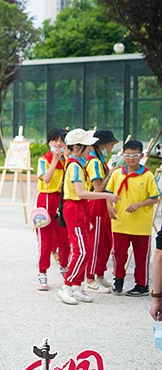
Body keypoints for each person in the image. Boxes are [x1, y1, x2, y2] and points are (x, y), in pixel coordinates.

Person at [57, 129, 120, 305]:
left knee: (84, 249)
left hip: (80, 209)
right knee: (82, 250)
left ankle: (76, 286)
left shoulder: (79, 163)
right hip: (75, 209)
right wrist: (107, 196)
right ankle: (67, 286)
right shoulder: (76, 166)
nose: (90, 148)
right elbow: (81, 193)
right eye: (87, 145)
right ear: (77, 147)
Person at [105, 140, 160, 296]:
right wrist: (109, 207)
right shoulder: (117, 173)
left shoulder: (148, 175)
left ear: (141, 156)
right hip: (120, 221)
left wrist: (138, 204)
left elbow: (155, 198)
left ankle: (141, 285)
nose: (131, 159)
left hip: (140, 224)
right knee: (118, 254)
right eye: (128, 155)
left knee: (141, 255)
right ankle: (118, 279)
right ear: (124, 155)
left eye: (135, 155)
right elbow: (108, 193)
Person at [84, 129, 119, 293]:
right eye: (111, 144)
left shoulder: (99, 160)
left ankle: (99, 274)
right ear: (102, 145)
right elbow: (98, 188)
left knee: (104, 241)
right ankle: (90, 278)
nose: (111, 147)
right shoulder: (94, 162)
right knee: (96, 242)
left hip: (101, 204)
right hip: (96, 204)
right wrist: (110, 174)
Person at [35, 129, 70, 291]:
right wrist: (55, 160)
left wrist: (65, 159)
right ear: (49, 142)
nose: (58, 144)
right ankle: (42, 272)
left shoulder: (68, 161)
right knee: (45, 241)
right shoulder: (44, 160)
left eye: (61, 141)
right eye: (54, 141)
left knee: (64, 240)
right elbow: (46, 178)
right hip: (45, 201)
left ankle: (64, 267)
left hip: (62, 203)